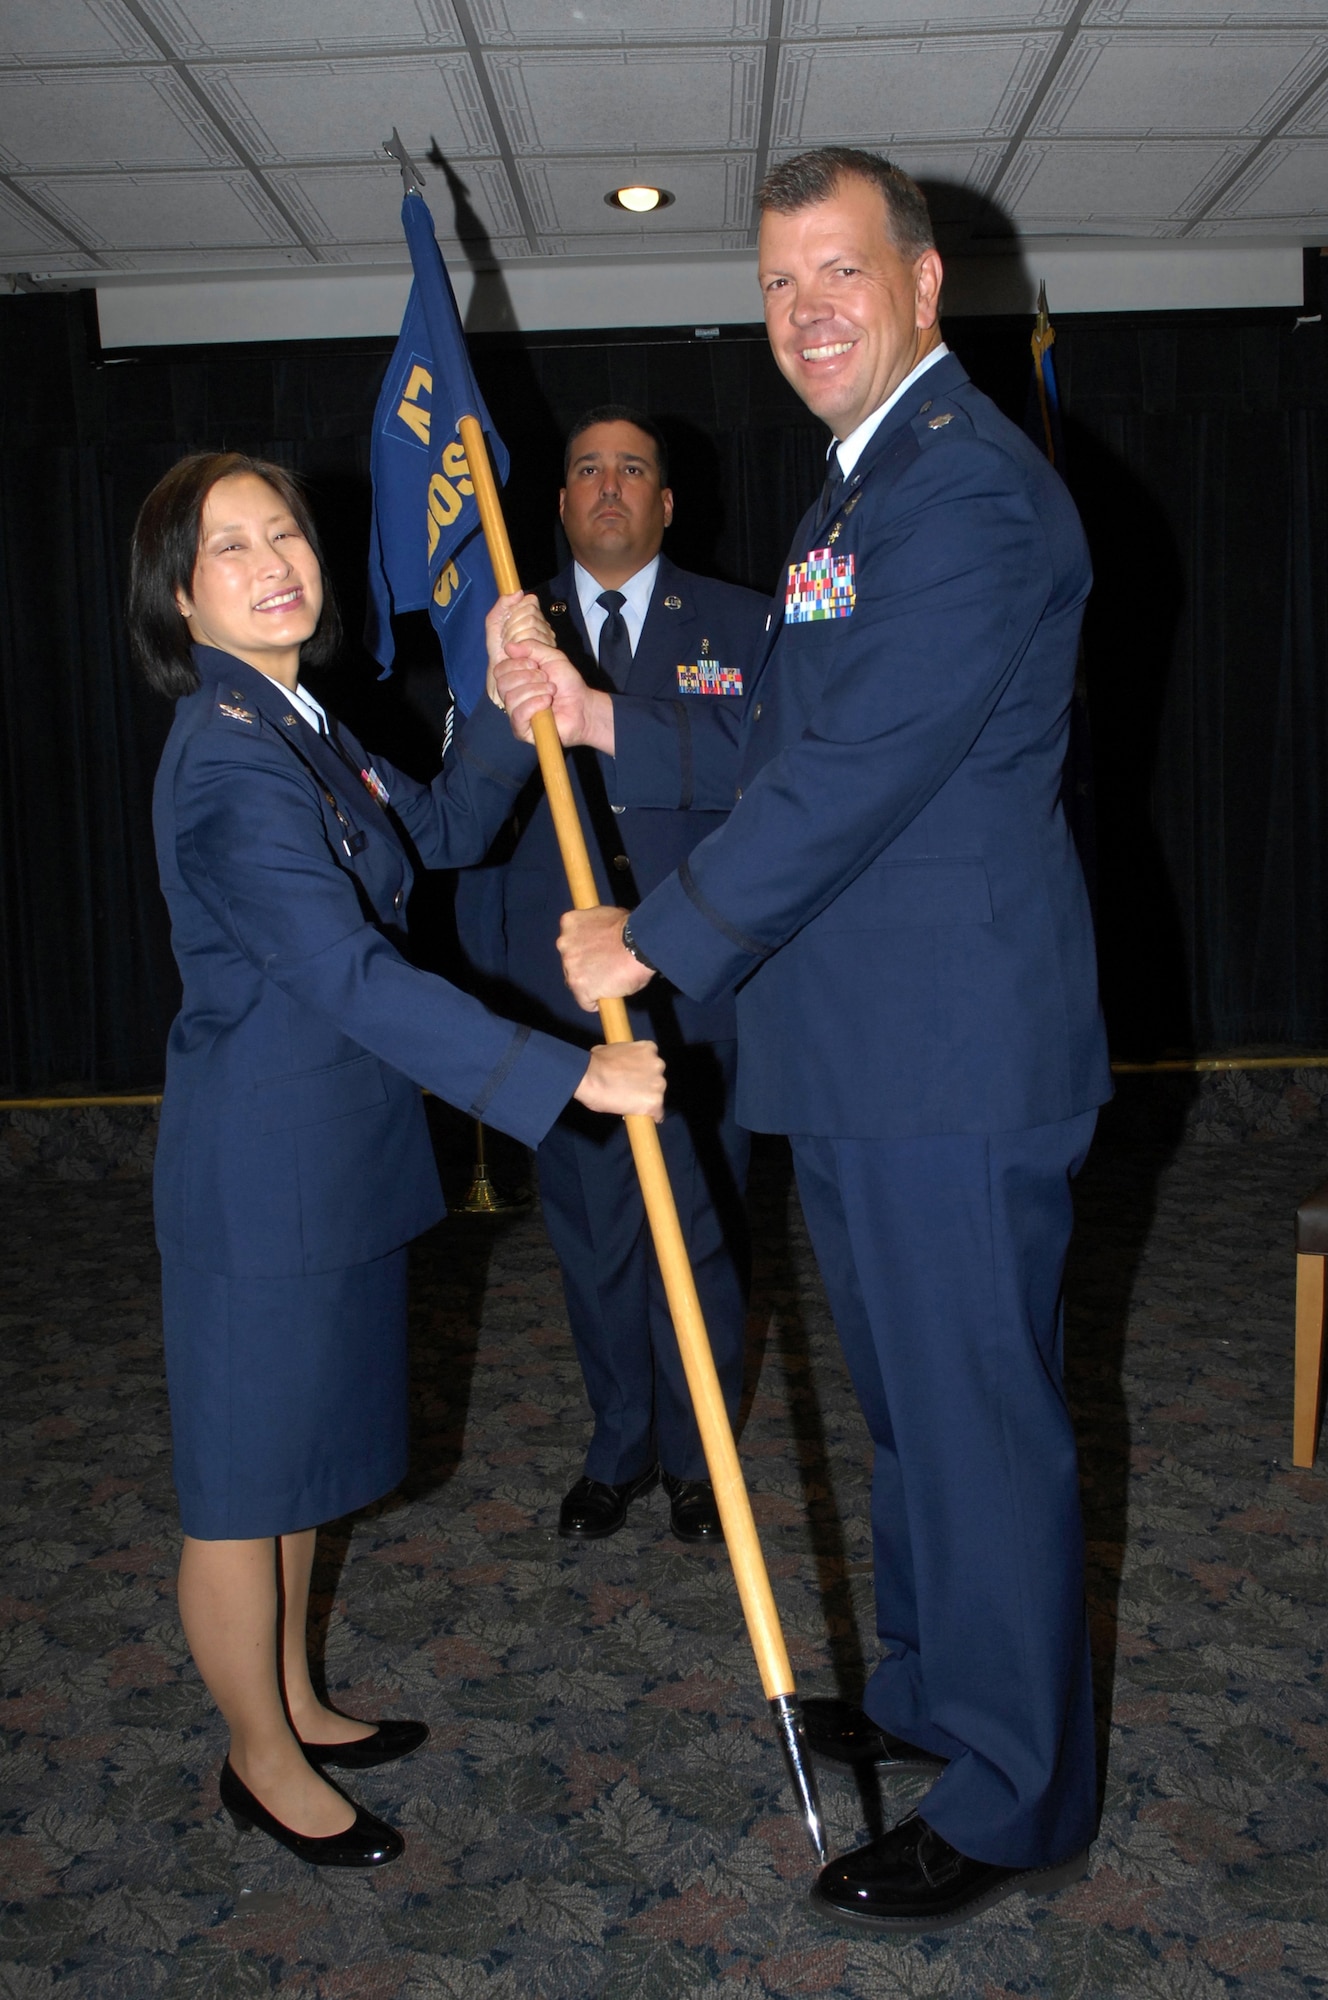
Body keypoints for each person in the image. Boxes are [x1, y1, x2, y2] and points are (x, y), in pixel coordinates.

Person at [545, 150, 1113, 1932]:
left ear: (924, 285)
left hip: (947, 1061)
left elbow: (850, 780)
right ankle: (945, 1701)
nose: (806, 314)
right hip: (866, 1060)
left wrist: (652, 937)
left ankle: (1018, 1796)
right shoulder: (846, 503)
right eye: (779, 284)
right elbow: (775, 728)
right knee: (908, 1420)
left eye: (838, 275)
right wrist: (598, 714)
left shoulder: (963, 497)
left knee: (975, 1424)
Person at [130, 452, 665, 1871]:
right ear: (181, 599)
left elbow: (437, 829)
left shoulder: (298, 718)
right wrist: (569, 1077)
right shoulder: (230, 760)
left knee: (301, 1467)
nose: (274, 561)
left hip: (333, 1159)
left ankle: (295, 1699)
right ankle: (257, 1759)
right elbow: (351, 978)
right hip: (263, 1181)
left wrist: (503, 688)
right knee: (244, 1491)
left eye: (285, 532)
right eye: (229, 548)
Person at [451, 407, 768, 1545]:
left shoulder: (739, 621)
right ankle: (617, 1445)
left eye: (632, 468)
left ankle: (696, 1457)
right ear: (556, 500)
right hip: (565, 997)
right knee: (592, 1236)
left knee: (701, 1228)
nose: (607, 485)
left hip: (696, 983)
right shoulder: (503, 631)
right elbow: (466, 809)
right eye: (584, 467)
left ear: (666, 502)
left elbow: (772, 789)